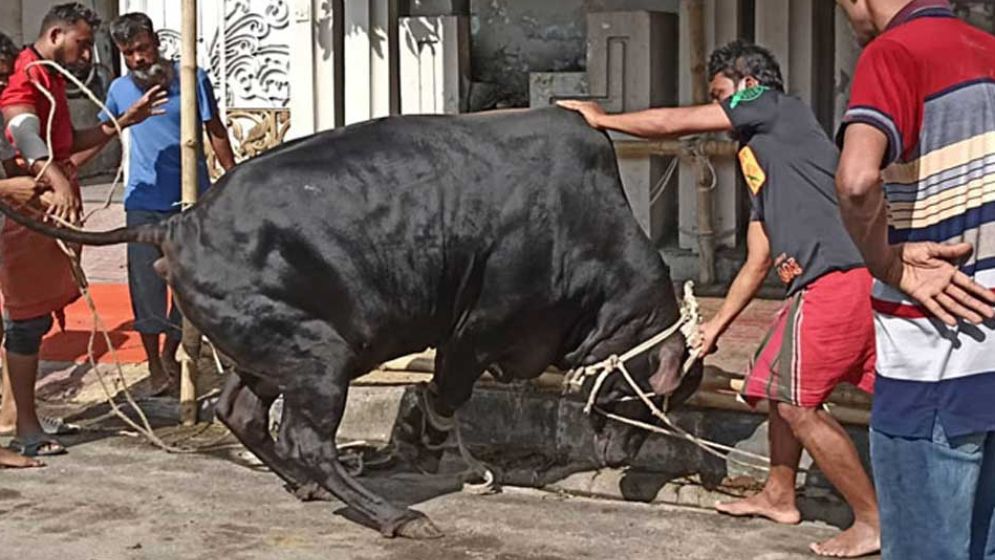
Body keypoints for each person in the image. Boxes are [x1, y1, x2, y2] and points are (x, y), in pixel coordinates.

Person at [559, 40, 880, 558]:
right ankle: (779, 495)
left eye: (719, 94)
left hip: (838, 279)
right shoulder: (763, 158)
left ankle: (871, 520)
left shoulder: (774, 105)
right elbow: (757, 259)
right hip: (813, 285)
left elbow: (675, 122)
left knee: (798, 404)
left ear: (746, 83)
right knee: (777, 385)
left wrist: (603, 118)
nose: (718, 106)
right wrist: (715, 329)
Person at [835, 1, 995, 558]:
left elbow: (856, 182)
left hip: (935, 362)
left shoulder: (895, 54)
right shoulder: (989, 50)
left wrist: (888, 262)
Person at [0, 2, 164, 457]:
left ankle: (19, 412)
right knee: (24, 322)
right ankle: (26, 430)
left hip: (46, 219)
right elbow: (24, 129)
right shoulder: (27, 75)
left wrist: (122, 122)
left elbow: (67, 141)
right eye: (83, 44)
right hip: (24, 216)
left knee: (30, 316)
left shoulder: (53, 79)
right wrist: (53, 177)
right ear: (55, 35)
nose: (89, 55)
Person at [98, 12, 235, 395]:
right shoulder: (120, 89)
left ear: (156, 42)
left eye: (142, 48)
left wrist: (234, 175)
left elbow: (215, 129)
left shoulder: (193, 79)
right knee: (145, 286)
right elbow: (104, 129)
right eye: (129, 53)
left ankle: (174, 350)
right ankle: (155, 367)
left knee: (189, 282)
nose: (138, 59)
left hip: (191, 201)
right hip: (142, 201)